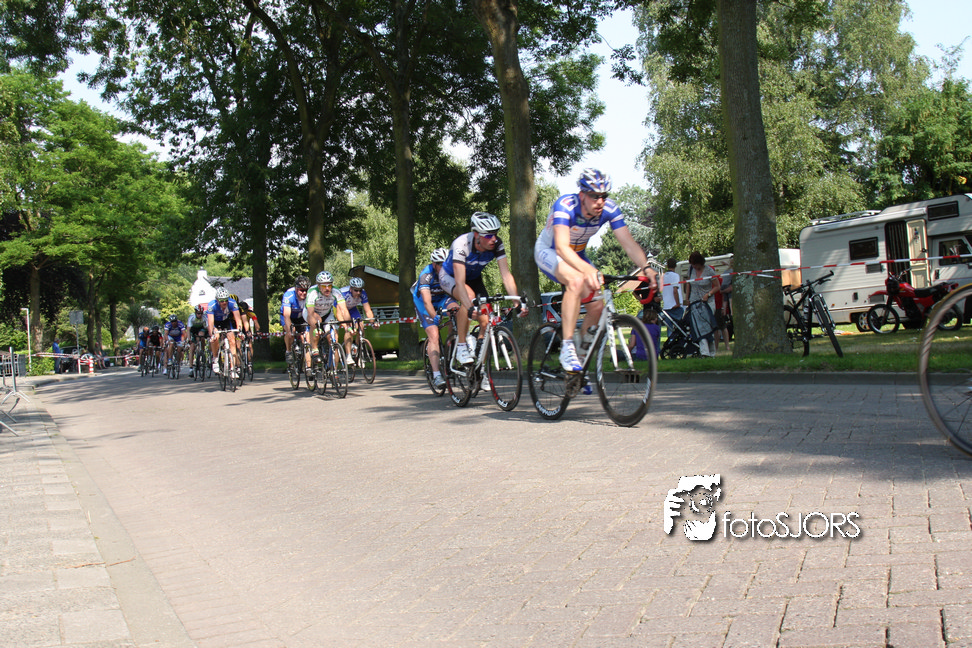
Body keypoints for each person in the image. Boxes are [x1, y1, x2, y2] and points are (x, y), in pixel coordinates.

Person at [535, 167, 656, 371]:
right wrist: (587, 270)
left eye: (603, 196)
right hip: (551, 251)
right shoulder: (565, 205)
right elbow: (562, 248)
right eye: (594, 196)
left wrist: (646, 267)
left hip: (578, 255)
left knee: (598, 307)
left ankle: (580, 360)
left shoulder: (609, 209)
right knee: (575, 280)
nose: (600, 201)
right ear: (582, 195)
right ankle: (567, 348)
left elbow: (628, 243)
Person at [439, 212, 527, 366]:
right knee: (469, 297)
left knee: (486, 322)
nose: (494, 239)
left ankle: (480, 369)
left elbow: (506, 275)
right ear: (476, 235)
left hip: (474, 279)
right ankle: (461, 347)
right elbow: (460, 283)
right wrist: (469, 307)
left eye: (495, 234)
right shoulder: (461, 245)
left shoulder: (497, 244)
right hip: (450, 277)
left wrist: (516, 303)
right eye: (488, 235)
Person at [411, 247, 458, 389]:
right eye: (441, 264)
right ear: (434, 264)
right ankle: (437, 374)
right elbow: (427, 302)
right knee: (434, 334)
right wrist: (435, 316)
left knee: (457, 311)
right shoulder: (426, 275)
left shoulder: (451, 271)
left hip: (442, 299)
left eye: (446, 264)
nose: (444, 267)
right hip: (424, 303)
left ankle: (451, 344)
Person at [305, 271, 350, 374]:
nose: (327, 288)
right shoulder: (313, 292)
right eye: (324, 286)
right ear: (318, 286)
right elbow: (310, 314)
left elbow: (344, 309)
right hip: (312, 313)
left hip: (327, 314)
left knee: (334, 339)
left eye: (329, 285)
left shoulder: (336, 291)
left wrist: (348, 325)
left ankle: (334, 370)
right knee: (316, 322)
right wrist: (316, 328)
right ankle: (315, 349)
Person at [683, 251, 720, 357]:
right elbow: (689, 284)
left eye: (695, 264)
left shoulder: (709, 271)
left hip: (707, 303)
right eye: (692, 264)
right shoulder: (691, 270)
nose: (694, 266)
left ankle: (712, 352)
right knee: (699, 328)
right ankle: (705, 353)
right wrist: (687, 298)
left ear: (700, 262)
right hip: (694, 302)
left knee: (708, 328)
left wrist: (708, 294)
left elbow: (717, 286)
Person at [340, 276, 378, 366]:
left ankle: (358, 349)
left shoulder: (363, 293)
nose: (358, 293)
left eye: (360, 290)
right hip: (340, 309)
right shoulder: (343, 293)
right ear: (351, 289)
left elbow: (368, 310)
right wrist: (348, 325)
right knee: (349, 329)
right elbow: (343, 311)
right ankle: (348, 355)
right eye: (356, 290)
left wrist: (373, 323)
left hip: (352, 309)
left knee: (361, 327)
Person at [207, 287, 244, 375]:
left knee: (232, 340)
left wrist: (240, 331)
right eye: (221, 300)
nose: (224, 302)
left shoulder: (232, 303)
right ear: (217, 300)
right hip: (215, 322)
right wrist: (211, 334)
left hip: (225, 321)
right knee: (216, 337)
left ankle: (232, 368)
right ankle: (215, 359)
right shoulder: (212, 305)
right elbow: (210, 322)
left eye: (226, 300)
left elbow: (238, 319)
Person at [280, 276, 311, 374]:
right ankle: (288, 351)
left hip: (301, 316)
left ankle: (308, 367)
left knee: (306, 339)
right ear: (296, 289)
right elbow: (286, 315)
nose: (304, 293)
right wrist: (289, 331)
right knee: (291, 332)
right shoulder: (289, 295)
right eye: (301, 290)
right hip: (289, 316)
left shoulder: (310, 295)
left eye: (306, 290)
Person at [661, 258, 683, 338]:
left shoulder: (663, 277)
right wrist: (678, 303)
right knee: (680, 328)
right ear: (675, 265)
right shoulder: (675, 276)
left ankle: (670, 341)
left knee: (669, 330)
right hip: (675, 305)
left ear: (667, 265)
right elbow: (675, 290)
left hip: (666, 306)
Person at [186, 305, 207, 377]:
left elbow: (208, 327)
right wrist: (189, 339)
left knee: (201, 335)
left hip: (201, 329)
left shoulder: (204, 317)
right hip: (193, 330)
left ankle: (202, 351)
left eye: (201, 313)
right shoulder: (191, 317)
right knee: (192, 349)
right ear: (195, 313)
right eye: (198, 313)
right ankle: (191, 368)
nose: (200, 315)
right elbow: (188, 329)